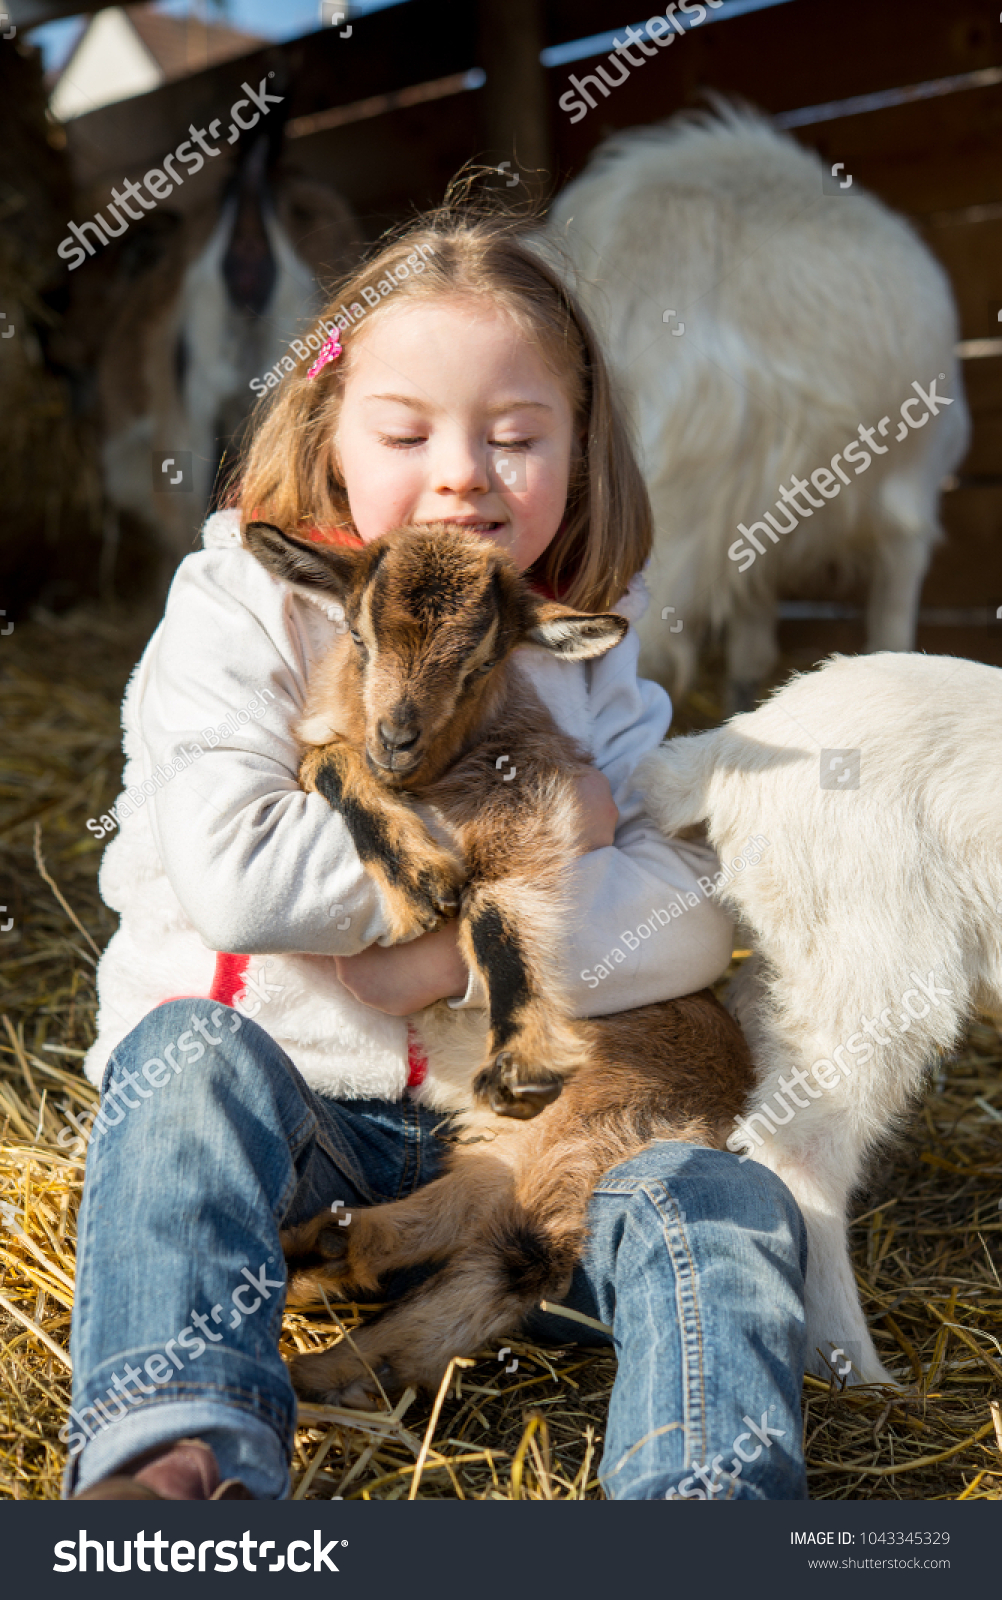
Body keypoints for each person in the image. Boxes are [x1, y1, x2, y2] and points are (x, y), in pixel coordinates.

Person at [66, 204, 808, 1501]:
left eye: (516, 438)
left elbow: (691, 916)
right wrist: (548, 825)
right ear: (329, 432)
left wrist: (451, 964)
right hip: (286, 1131)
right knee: (178, 1069)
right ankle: (174, 1452)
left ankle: (704, 1496)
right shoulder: (241, 611)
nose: (464, 474)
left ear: (582, 454)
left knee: (712, 1192)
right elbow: (247, 885)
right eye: (408, 433)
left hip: (526, 1158)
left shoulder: (589, 652)